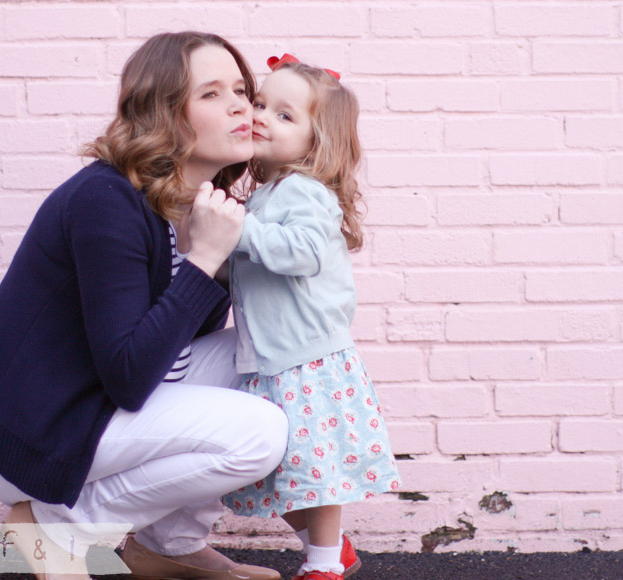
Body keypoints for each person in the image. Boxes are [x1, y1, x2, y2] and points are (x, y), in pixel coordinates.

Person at [0, 32, 289, 580]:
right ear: (162, 114)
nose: (240, 104)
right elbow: (129, 375)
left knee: (275, 357)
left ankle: (169, 548)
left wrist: (210, 253)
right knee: (260, 432)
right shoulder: (106, 200)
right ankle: (54, 528)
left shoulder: (192, 206)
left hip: (100, 409)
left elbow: (176, 349)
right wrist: (204, 259)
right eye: (210, 94)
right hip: (34, 434)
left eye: (240, 89)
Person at [220, 54, 401, 580]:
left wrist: (234, 231)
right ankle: (333, 548)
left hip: (308, 361)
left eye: (284, 115)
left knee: (313, 473)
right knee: (282, 472)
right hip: (271, 359)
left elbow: (302, 253)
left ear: (316, 141)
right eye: (259, 104)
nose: (259, 117)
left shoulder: (305, 192)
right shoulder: (263, 197)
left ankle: (324, 564)